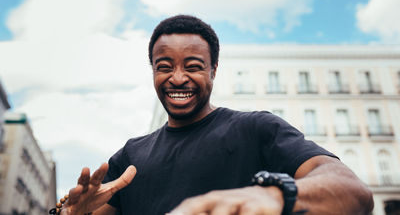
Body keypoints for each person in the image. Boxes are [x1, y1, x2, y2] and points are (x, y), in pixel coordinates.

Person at [59, 15, 374, 215]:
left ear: (213, 70)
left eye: (193, 67)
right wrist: (74, 213)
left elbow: (353, 192)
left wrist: (278, 196)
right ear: (153, 72)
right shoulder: (129, 155)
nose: (178, 78)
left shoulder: (256, 128)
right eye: (164, 67)